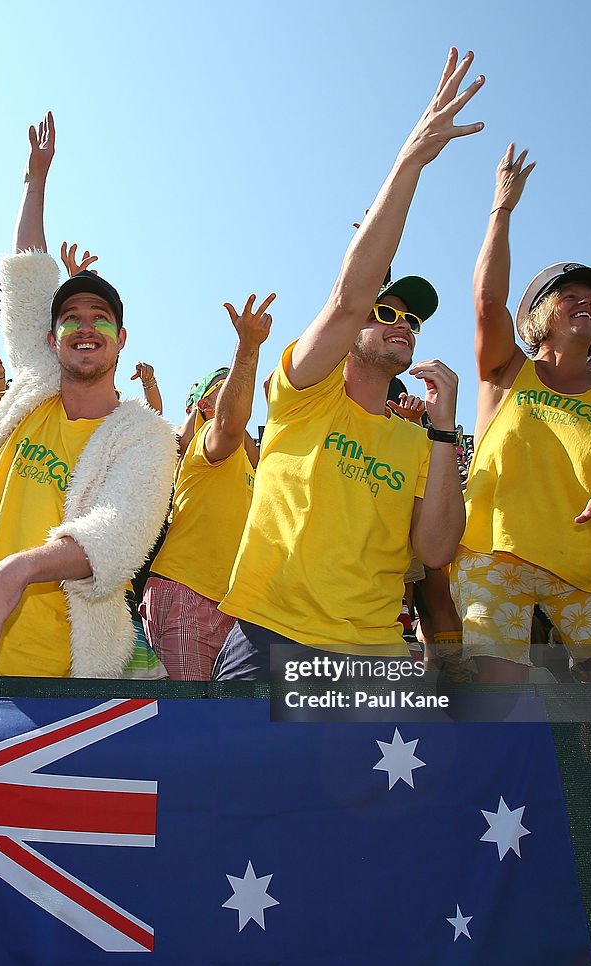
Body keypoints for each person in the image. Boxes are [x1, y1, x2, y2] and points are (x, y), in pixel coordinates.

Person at [215, 49, 480, 680]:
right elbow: (347, 297)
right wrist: (411, 161)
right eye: (386, 314)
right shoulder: (303, 392)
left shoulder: (416, 442)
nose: (403, 325)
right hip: (270, 640)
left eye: (412, 320)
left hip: (373, 659)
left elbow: (437, 548)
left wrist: (443, 431)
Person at [0, 112, 177, 677]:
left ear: (121, 339)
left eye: (101, 318)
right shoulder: (33, 388)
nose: (85, 327)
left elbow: (117, 535)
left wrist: (17, 570)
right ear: (50, 337)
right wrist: (36, 182)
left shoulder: (147, 437)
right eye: (71, 318)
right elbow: (29, 277)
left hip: (53, 674)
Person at [454, 143, 591, 683]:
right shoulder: (504, 368)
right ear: (541, 312)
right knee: (499, 699)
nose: (586, 300)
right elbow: (487, 303)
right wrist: (501, 209)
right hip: (493, 550)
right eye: (569, 293)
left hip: (585, 560)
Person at [140, 295, 272, 679]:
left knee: (220, 727)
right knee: (184, 721)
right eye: (221, 387)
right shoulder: (206, 444)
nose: (231, 392)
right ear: (204, 406)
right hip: (187, 594)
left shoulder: (255, 466)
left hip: (236, 609)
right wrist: (247, 350)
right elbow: (231, 423)